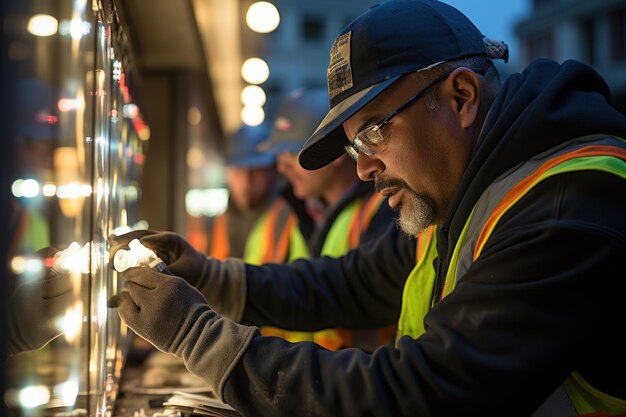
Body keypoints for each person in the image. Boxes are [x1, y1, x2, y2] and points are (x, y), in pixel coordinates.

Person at [108, 1, 626, 416]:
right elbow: (346, 285)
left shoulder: (566, 207)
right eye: (356, 146)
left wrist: (198, 335)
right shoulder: (462, 203)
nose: (362, 168)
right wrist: (206, 276)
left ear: (462, 97)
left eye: (374, 132)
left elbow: (424, 394)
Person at [257, 86, 400, 351]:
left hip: (364, 380)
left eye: (290, 152)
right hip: (305, 378)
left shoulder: (389, 212)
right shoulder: (282, 216)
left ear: (331, 152)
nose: (281, 166)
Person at [188, 123, 295, 264]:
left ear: (273, 170)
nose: (246, 181)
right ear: (228, 172)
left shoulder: (291, 217)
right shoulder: (214, 225)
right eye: (239, 171)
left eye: (256, 171)